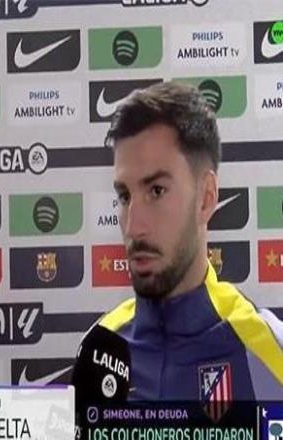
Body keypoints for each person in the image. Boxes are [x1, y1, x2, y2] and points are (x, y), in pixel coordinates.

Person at [75, 82, 282, 405]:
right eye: (125, 196)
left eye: (156, 191)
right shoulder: (99, 349)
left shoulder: (268, 353)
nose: (134, 227)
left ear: (206, 198)